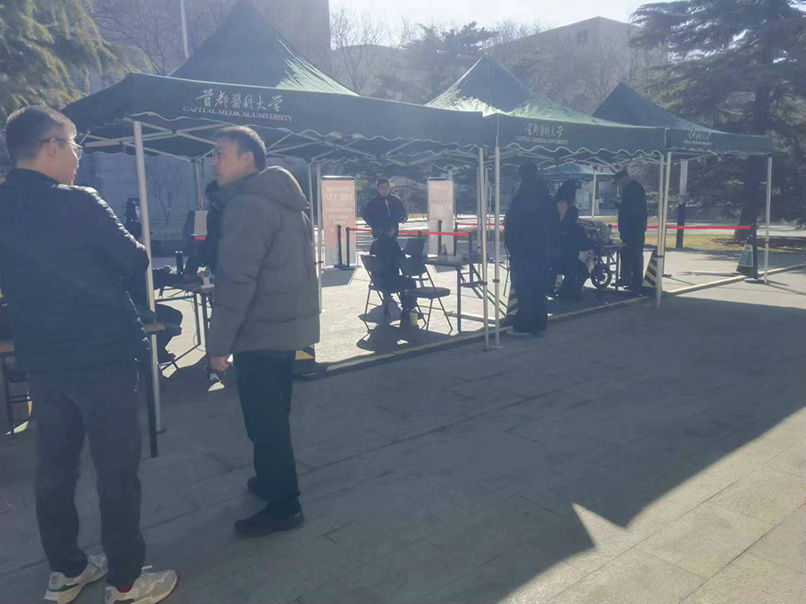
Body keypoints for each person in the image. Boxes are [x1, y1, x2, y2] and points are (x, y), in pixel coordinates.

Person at [0, 106, 177, 604]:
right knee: (115, 472)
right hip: (102, 358)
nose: (78, 156)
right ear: (51, 146)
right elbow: (134, 258)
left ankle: (67, 570)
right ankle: (126, 581)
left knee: (54, 468)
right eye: (74, 146)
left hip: (42, 361)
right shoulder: (80, 202)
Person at [205, 126, 319, 538]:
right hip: (285, 327)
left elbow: (236, 281)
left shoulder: (249, 206)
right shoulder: (287, 200)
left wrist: (218, 345)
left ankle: (284, 505)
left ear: (248, 159)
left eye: (221, 153)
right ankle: (271, 480)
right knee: (273, 416)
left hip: (260, 330)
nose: (214, 162)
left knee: (265, 421)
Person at [504, 162, 560, 335]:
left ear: (522, 175)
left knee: (523, 287)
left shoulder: (520, 197)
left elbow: (511, 225)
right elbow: (556, 226)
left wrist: (512, 247)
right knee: (539, 288)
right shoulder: (547, 198)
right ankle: (539, 323)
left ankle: (525, 324)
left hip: (522, 251)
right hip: (543, 252)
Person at [361, 178, 417, 326]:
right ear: (378, 189)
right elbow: (366, 215)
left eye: (386, 188)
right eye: (382, 188)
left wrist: (400, 219)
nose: (384, 190)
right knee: (399, 277)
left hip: (392, 242)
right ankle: (406, 307)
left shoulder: (395, 200)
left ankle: (408, 309)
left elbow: (403, 213)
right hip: (381, 241)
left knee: (399, 271)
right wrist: (379, 227)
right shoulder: (373, 203)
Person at [552, 180, 591, 299]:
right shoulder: (563, 204)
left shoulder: (559, 203)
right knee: (581, 269)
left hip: (560, 251)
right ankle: (572, 291)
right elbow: (586, 245)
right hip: (566, 255)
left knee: (571, 267)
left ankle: (566, 288)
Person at [614, 168, 648, 291]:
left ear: (624, 179)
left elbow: (633, 210)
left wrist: (622, 207)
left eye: (619, 182)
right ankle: (627, 277)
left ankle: (636, 281)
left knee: (635, 254)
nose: (619, 186)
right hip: (629, 228)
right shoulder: (630, 189)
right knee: (627, 253)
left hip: (634, 229)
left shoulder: (634, 189)